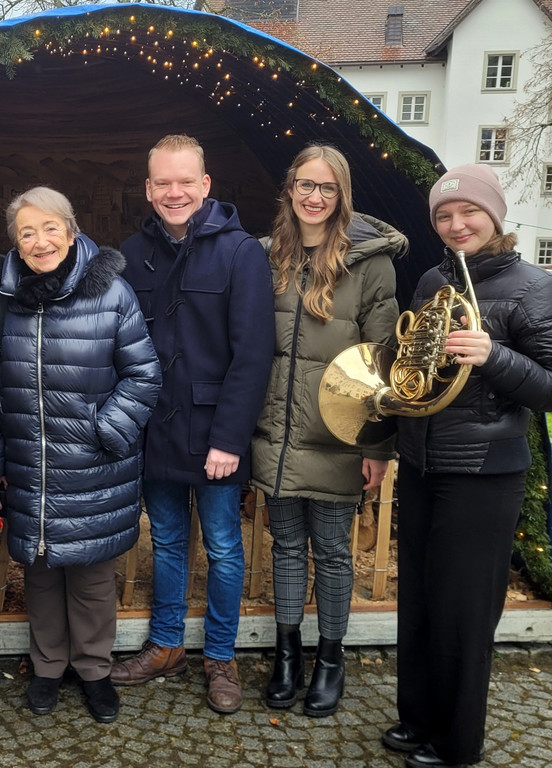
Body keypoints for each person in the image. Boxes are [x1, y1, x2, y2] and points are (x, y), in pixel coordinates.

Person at [382, 165, 552, 768]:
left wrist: (494, 355)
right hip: (424, 462)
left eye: (468, 213)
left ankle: (457, 745)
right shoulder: (433, 278)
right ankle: (419, 719)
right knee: (422, 602)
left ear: (495, 217)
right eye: (444, 217)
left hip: (484, 471)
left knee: (462, 610)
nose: (456, 225)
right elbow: (414, 365)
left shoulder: (533, 286)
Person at [0, 187, 161, 723]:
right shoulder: (3, 298)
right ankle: (46, 668)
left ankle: (94, 671)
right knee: (39, 574)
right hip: (29, 464)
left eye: (50, 228)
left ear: (73, 228)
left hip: (94, 465)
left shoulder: (112, 294)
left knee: (90, 578)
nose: (41, 242)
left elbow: (144, 373)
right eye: (27, 233)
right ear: (15, 242)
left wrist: (104, 430)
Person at [111, 134, 274, 713]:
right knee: (171, 542)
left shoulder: (241, 253)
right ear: (149, 189)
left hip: (214, 438)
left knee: (226, 548)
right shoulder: (133, 253)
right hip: (155, 429)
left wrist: (229, 438)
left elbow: (253, 354)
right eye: (163, 183)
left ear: (206, 185)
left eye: (186, 181)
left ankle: (222, 657)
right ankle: (165, 645)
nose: (174, 192)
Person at [251, 145, 404, 717]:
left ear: (342, 196)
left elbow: (384, 363)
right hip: (277, 432)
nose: (314, 197)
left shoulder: (371, 265)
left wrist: (379, 444)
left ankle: (331, 659)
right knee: (286, 546)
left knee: (334, 553)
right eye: (304, 185)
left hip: (340, 434)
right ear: (289, 190)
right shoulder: (268, 257)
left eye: (327, 188)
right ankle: (286, 654)